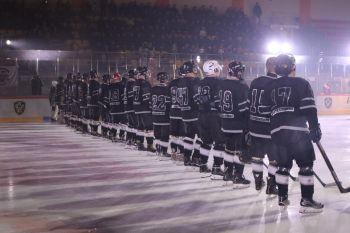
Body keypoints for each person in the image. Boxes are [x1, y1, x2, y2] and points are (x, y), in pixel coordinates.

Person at [265, 54, 323, 213]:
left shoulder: (269, 86)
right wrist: (314, 127)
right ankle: (306, 200)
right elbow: (309, 107)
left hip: (277, 132)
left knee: (283, 166)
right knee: (305, 166)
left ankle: (282, 197)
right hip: (297, 131)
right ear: (292, 67)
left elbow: (265, 112)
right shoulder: (301, 83)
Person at [216, 61, 251, 187]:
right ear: (238, 71)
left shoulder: (222, 84)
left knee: (229, 149)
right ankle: (238, 176)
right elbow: (244, 108)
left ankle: (227, 173)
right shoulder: (241, 85)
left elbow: (217, 104)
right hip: (238, 124)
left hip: (225, 123)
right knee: (239, 151)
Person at [248, 57, 278, 194]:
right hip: (270, 129)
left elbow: (249, 102)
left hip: (254, 127)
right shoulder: (277, 83)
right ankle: (271, 186)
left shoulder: (255, 81)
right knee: (274, 159)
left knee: (257, 157)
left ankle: (258, 183)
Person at [198, 60, 225, 175]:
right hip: (214, 116)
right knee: (220, 142)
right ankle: (217, 166)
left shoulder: (200, 82)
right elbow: (219, 100)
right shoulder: (219, 82)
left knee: (206, 141)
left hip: (202, 115)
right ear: (214, 69)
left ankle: (203, 165)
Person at [177, 61, 201, 166]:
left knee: (189, 136)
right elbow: (198, 98)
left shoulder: (180, 82)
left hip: (184, 113)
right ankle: (196, 157)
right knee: (202, 136)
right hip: (195, 113)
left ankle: (186, 157)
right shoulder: (194, 81)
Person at [133, 66, 156, 152]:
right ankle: (150, 145)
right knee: (149, 127)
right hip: (145, 108)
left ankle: (140, 143)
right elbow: (146, 97)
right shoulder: (145, 83)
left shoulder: (135, 83)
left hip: (137, 108)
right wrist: (151, 107)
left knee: (140, 126)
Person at [151, 72, 171, 157]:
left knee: (157, 134)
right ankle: (164, 151)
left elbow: (150, 102)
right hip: (165, 115)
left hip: (155, 114)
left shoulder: (153, 89)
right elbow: (169, 102)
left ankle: (158, 149)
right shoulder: (167, 89)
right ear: (166, 79)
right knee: (165, 135)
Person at [168, 70, 185, 160]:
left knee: (174, 133)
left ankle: (173, 150)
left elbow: (168, 97)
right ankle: (181, 152)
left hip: (173, 111)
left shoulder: (172, 83)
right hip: (183, 112)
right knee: (182, 134)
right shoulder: (186, 82)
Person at [109, 72, 127, 141]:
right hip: (121, 108)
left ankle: (113, 134)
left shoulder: (110, 86)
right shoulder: (121, 86)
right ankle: (121, 135)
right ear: (119, 78)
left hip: (113, 108)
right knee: (123, 123)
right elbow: (123, 96)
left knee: (115, 123)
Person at [124, 69, 138, 146]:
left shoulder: (127, 83)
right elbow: (132, 96)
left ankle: (129, 139)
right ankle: (133, 139)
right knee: (135, 124)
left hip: (127, 107)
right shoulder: (132, 83)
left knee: (130, 124)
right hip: (131, 107)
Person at [88, 70, 100, 136]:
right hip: (95, 103)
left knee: (91, 116)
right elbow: (96, 94)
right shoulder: (96, 83)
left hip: (89, 103)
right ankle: (94, 130)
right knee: (96, 117)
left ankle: (92, 129)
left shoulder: (88, 83)